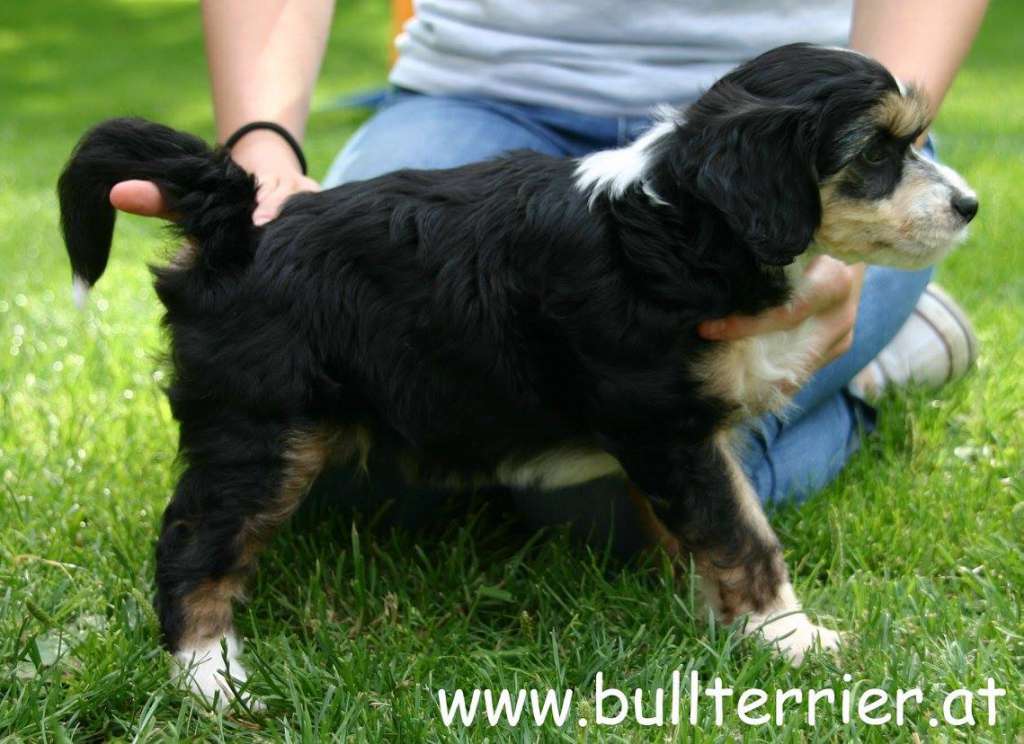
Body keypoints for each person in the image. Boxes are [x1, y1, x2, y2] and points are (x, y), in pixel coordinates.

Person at [109, 0, 988, 554]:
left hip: (792, 152)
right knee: (354, 456)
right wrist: (263, 148)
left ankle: (879, 361)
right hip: (479, 103)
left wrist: (828, 227)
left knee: (622, 492)